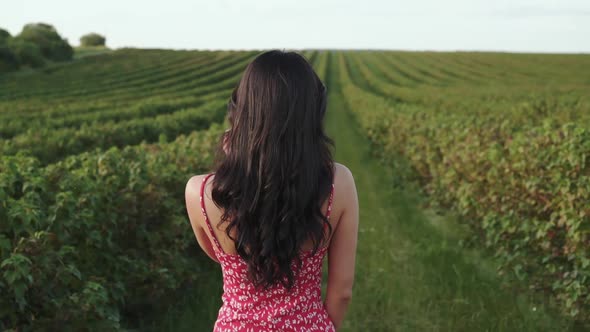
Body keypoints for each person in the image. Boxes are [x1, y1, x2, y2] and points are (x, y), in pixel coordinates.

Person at [185, 50, 359, 331]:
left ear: (242, 111)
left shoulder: (199, 191)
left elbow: (219, 255)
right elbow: (342, 292)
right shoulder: (339, 183)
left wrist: (238, 161)